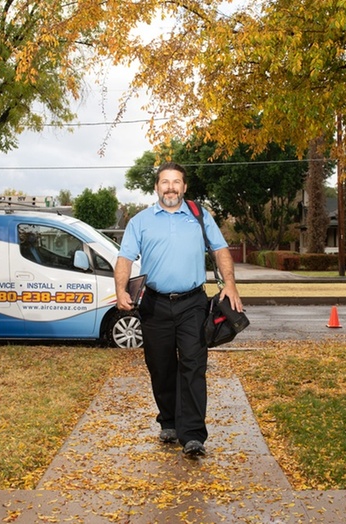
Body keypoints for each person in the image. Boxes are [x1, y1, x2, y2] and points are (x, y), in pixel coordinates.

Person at [114, 161, 243, 458]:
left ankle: (193, 435)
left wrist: (230, 284)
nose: (170, 187)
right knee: (161, 367)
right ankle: (169, 421)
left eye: (176, 182)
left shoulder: (200, 217)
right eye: (165, 182)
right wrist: (120, 290)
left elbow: (220, 249)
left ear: (184, 187)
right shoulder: (141, 221)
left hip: (193, 304)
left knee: (193, 366)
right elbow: (125, 259)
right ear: (157, 187)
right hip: (155, 304)